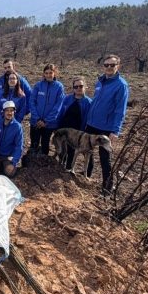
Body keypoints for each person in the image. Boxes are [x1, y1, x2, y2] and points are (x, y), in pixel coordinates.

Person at [85, 54, 130, 194]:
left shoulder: (121, 85)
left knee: (105, 158)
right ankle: (86, 176)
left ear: (118, 66)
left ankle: (107, 188)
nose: (109, 68)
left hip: (106, 127)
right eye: (106, 65)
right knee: (88, 152)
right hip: (92, 123)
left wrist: (115, 130)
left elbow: (120, 109)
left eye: (112, 65)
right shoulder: (100, 81)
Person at [57, 76, 93, 170]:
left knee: (72, 151)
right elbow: (61, 112)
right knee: (62, 148)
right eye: (76, 87)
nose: (78, 89)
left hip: (77, 131)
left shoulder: (88, 102)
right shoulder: (67, 98)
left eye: (80, 86)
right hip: (64, 128)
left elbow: (87, 119)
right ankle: (60, 166)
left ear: (85, 87)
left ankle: (69, 168)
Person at [29, 64, 65, 155]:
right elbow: (32, 102)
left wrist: (46, 120)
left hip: (49, 123)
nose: (48, 75)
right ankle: (31, 164)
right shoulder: (38, 85)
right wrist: (37, 118)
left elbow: (58, 106)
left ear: (55, 73)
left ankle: (43, 165)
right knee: (34, 143)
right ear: (43, 74)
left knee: (45, 144)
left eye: (50, 73)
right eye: (46, 73)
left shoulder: (59, 87)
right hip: (35, 122)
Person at [0, 100, 24, 178]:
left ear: (14, 112)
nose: (9, 113)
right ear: (3, 112)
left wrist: (14, 162)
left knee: (10, 173)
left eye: (11, 111)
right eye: (7, 110)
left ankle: (3, 167)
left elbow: (19, 146)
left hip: (8, 157)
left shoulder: (17, 127)